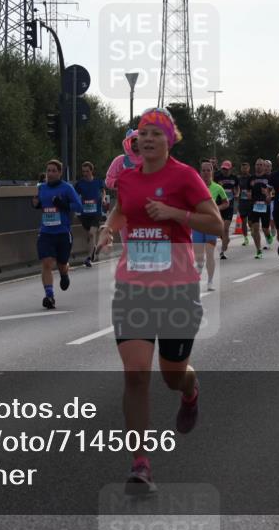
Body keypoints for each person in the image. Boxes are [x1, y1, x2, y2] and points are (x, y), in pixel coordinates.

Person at [95, 107, 223, 494]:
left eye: (155, 134)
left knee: (171, 375)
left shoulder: (185, 177)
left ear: (170, 140)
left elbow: (215, 223)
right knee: (135, 375)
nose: (147, 139)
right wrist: (106, 229)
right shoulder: (129, 179)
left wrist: (175, 213)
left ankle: (189, 390)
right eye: (142, 135)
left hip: (178, 288)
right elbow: (121, 211)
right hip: (133, 286)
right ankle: (141, 464)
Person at [32, 160, 83, 310]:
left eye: (54, 171)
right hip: (46, 232)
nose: (51, 173)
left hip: (62, 232)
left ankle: (64, 273)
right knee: (47, 262)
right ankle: (49, 296)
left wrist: (64, 205)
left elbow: (78, 206)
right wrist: (35, 204)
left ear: (60, 173)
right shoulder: (41, 188)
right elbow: (40, 204)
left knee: (61, 263)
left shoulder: (67, 188)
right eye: (48, 170)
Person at [195, 159, 229, 290]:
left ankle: (209, 281)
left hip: (211, 224)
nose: (205, 173)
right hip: (197, 224)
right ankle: (199, 267)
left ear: (212, 171)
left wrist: (216, 208)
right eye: (203, 170)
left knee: (209, 253)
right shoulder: (195, 186)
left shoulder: (218, 187)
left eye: (208, 170)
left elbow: (226, 203)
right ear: (200, 172)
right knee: (198, 256)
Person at [75, 161, 107, 267]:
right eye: (83, 171)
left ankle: (89, 258)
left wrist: (102, 199)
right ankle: (93, 250)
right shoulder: (79, 184)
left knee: (92, 233)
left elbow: (103, 191)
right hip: (84, 214)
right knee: (89, 236)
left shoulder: (98, 182)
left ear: (91, 171)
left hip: (96, 213)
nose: (85, 173)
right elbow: (74, 195)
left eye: (87, 171)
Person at [214, 160, 239, 259]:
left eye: (226, 169)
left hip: (229, 205)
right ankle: (226, 239)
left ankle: (222, 252)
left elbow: (237, 188)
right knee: (220, 230)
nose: (224, 171)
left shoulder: (234, 178)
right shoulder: (217, 177)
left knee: (225, 228)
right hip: (219, 205)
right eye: (223, 169)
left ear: (230, 169)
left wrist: (237, 194)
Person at [248, 159, 272, 260]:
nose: (259, 166)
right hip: (255, 205)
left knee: (265, 228)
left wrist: (268, 195)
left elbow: (273, 191)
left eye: (261, 165)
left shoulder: (269, 178)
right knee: (255, 228)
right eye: (257, 164)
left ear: (264, 166)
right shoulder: (251, 178)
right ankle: (258, 250)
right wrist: (249, 196)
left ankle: (268, 236)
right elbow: (248, 190)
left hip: (265, 205)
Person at [236, 162, 254, 247]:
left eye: (246, 168)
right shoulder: (238, 178)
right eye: (243, 168)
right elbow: (236, 188)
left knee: (250, 223)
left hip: (250, 203)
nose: (244, 169)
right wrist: (237, 195)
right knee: (243, 222)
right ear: (241, 169)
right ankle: (245, 238)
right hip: (242, 202)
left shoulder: (252, 178)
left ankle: (254, 234)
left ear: (249, 168)